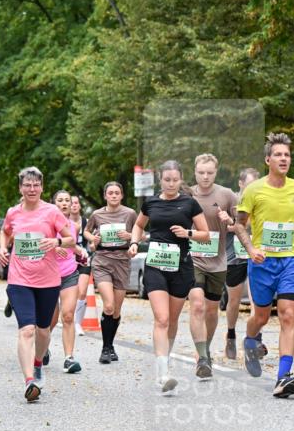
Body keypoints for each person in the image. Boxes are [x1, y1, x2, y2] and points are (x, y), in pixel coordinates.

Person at [236, 132, 294, 398]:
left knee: (288, 314)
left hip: (290, 259)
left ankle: (283, 377)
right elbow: (239, 225)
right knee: (260, 317)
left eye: (287, 155)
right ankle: (250, 341)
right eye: (278, 155)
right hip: (263, 261)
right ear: (268, 160)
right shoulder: (254, 190)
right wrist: (251, 249)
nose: (284, 159)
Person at [127, 160, 210, 395]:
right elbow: (138, 225)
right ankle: (162, 374)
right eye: (167, 180)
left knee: (172, 320)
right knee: (161, 319)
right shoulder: (151, 202)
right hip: (155, 265)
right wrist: (134, 242)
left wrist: (188, 233)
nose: (171, 184)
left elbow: (205, 234)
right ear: (160, 180)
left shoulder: (190, 203)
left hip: (181, 267)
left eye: (175, 180)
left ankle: (165, 361)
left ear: (181, 179)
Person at [0, 167, 75, 402]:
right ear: (20, 188)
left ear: (42, 187)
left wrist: (56, 241)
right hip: (19, 279)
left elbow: (70, 239)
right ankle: (29, 380)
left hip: (48, 280)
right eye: (27, 185)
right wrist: (3, 248)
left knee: (42, 330)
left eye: (36, 185)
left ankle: (38, 362)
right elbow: (5, 232)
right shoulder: (13, 212)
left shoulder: (52, 212)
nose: (32, 189)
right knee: (27, 329)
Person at [183, 153, 237, 374]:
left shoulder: (227, 195)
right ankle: (202, 356)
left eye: (210, 173)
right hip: (192, 259)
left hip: (217, 261)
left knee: (212, 310)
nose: (205, 176)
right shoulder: (187, 195)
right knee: (197, 304)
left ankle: (205, 348)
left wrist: (230, 221)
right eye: (201, 172)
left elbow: (241, 224)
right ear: (195, 172)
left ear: (216, 172)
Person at [83, 181, 137, 363]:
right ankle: (105, 349)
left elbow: (141, 233)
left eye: (117, 193)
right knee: (108, 306)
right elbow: (86, 231)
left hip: (122, 261)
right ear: (105, 196)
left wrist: (131, 237)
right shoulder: (97, 214)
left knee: (116, 310)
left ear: (121, 195)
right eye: (110, 193)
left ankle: (110, 345)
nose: (113, 195)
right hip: (102, 260)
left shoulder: (130, 213)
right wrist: (93, 238)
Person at [224, 168, 263, 360]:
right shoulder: (232, 202)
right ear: (240, 184)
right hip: (235, 257)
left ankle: (255, 340)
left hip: (256, 255)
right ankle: (231, 334)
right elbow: (225, 225)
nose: (252, 189)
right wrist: (233, 225)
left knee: (258, 300)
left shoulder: (262, 200)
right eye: (248, 185)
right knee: (234, 301)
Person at [46, 190, 86, 373]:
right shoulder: (46, 223)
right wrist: (54, 248)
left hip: (69, 273)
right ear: (54, 204)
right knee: (50, 320)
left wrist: (80, 252)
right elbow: (39, 244)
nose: (64, 203)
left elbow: (72, 244)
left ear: (71, 204)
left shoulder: (74, 226)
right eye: (60, 200)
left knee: (68, 315)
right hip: (48, 275)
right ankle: (42, 346)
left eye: (67, 200)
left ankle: (69, 358)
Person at [70, 195, 91, 335]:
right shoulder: (62, 222)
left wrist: (94, 244)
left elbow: (92, 243)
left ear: (80, 206)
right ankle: (67, 316)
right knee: (68, 292)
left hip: (83, 259)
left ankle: (77, 323)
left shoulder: (86, 222)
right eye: (71, 203)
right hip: (66, 260)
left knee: (82, 292)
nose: (74, 205)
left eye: (76, 203)